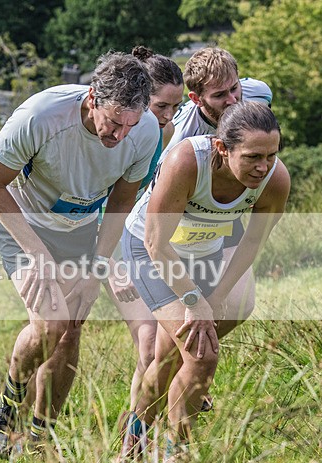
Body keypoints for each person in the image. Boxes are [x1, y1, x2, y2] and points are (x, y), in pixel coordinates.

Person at [0, 51, 159, 458]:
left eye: (129, 125)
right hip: (22, 218)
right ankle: (8, 405)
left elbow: (122, 200)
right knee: (51, 322)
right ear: (92, 98)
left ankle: (42, 434)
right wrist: (36, 252)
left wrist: (97, 268)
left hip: (79, 227)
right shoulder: (41, 116)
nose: (118, 137)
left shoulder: (144, 132)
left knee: (71, 327)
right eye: (113, 123)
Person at [118, 102, 290, 463]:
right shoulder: (186, 163)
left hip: (204, 254)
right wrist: (196, 302)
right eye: (253, 156)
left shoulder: (275, 180)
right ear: (222, 148)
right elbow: (156, 244)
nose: (264, 166)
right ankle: (174, 462)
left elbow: (252, 243)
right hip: (150, 250)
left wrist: (219, 296)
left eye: (272, 155)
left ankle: (130, 448)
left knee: (168, 359)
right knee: (201, 353)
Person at [113, 47, 273, 429]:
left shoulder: (253, 100)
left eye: (235, 89)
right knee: (172, 350)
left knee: (234, 308)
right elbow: (143, 205)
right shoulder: (181, 140)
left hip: (215, 220)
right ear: (197, 99)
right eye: (220, 96)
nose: (232, 100)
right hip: (166, 232)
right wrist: (115, 263)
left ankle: (153, 416)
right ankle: (149, 438)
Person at [102, 47, 184, 430]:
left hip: (147, 242)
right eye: (159, 106)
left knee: (156, 347)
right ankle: (137, 434)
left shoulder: (165, 134)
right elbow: (111, 203)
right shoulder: (119, 135)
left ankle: (136, 431)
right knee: (149, 342)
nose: (167, 116)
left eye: (174, 107)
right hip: (112, 241)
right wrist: (112, 265)